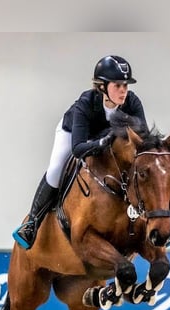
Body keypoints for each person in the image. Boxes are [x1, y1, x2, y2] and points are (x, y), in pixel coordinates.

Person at [12, 55, 147, 249]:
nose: (123, 91)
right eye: (118, 85)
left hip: (105, 140)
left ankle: (150, 220)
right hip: (75, 134)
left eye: (126, 85)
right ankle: (32, 222)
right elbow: (77, 149)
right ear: (102, 86)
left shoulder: (132, 103)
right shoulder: (86, 102)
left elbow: (143, 141)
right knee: (56, 170)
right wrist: (102, 142)